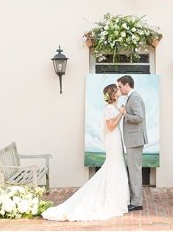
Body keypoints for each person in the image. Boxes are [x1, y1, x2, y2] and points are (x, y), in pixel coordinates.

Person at [41, 84, 129, 221]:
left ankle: (116, 197)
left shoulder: (114, 107)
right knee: (112, 166)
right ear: (112, 94)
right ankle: (109, 198)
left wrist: (120, 111)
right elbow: (110, 127)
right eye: (117, 89)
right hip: (112, 140)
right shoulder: (109, 109)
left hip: (116, 139)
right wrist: (121, 114)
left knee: (117, 166)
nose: (119, 90)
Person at [117, 75, 148, 212]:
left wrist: (124, 114)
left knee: (134, 171)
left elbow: (139, 117)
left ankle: (137, 202)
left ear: (127, 85)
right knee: (134, 170)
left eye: (120, 86)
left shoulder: (134, 97)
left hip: (135, 141)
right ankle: (135, 200)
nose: (119, 89)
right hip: (133, 140)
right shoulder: (131, 97)